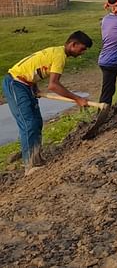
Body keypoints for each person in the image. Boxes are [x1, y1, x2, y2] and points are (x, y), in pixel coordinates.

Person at [3, 31, 93, 174]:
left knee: (37, 122)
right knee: (29, 123)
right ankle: (30, 165)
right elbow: (53, 85)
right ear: (73, 44)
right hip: (15, 83)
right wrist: (78, 99)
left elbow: (35, 68)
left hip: (26, 84)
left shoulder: (57, 52)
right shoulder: (60, 56)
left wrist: (34, 85)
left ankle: (36, 159)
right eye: (81, 49)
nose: (82, 53)